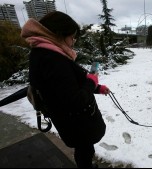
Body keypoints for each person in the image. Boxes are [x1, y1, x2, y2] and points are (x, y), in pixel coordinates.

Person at [21, 11, 110, 168]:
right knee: (84, 149)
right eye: (72, 37)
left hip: (71, 121)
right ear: (59, 34)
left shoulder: (46, 52)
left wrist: (97, 87)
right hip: (76, 122)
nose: (73, 41)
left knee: (84, 148)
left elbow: (68, 84)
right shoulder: (52, 60)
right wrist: (91, 82)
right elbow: (74, 100)